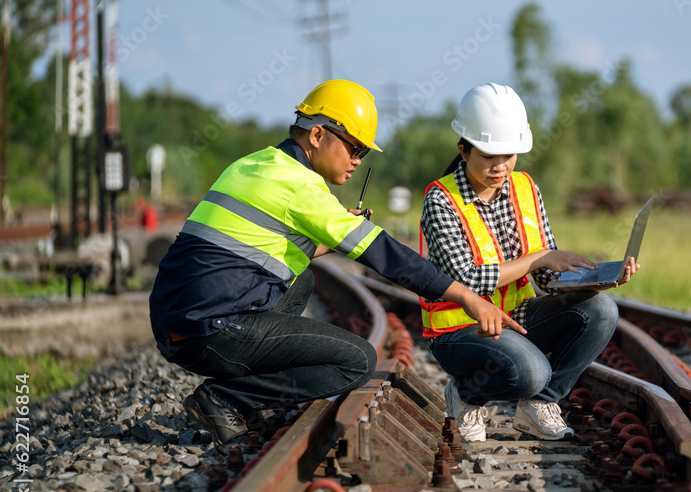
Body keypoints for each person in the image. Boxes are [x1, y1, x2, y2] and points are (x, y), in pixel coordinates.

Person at [149, 79, 525, 451]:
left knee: (300, 282)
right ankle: (226, 398)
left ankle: (249, 394)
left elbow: (254, 248)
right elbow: (386, 256)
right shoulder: (302, 188)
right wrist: (467, 297)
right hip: (207, 331)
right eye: (354, 148)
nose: (358, 161)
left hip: (176, 320)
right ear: (317, 136)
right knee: (357, 361)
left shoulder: (255, 164)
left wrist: (325, 237)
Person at [419, 83, 639, 442]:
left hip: (516, 320)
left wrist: (598, 279)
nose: (500, 166)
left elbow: (546, 275)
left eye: (508, 156)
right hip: (460, 331)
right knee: (530, 372)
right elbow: (470, 280)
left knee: (601, 310)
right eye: (489, 156)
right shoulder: (441, 199)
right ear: (464, 150)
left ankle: (538, 407)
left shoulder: (526, 189)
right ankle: (465, 395)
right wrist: (538, 257)